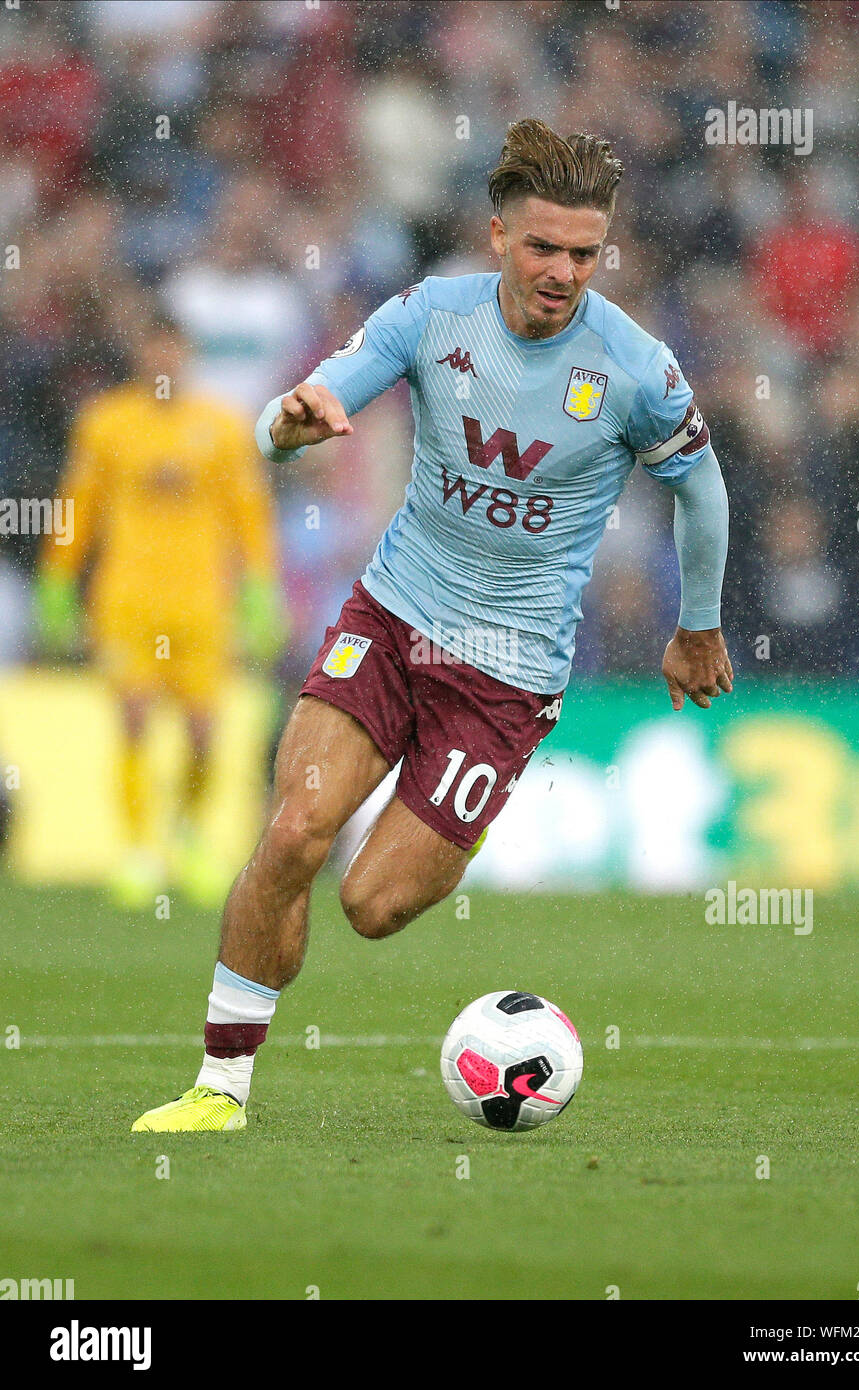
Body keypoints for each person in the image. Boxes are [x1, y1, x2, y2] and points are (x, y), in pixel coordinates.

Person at [132, 118, 732, 1134]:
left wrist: (699, 624)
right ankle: (217, 1089)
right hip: (392, 616)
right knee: (290, 834)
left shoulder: (633, 366)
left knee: (371, 905)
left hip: (505, 676)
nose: (561, 271)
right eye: (542, 246)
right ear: (497, 233)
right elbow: (293, 411)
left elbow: (702, 490)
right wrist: (289, 426)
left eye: (583, 254)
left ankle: (453, 815)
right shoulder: (430, 314)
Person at [36, 315, 284, 908]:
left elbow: (248, 515)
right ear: (140, 352)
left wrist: (259, 592)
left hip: (201, 604)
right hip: (127, 602)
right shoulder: (107, 423)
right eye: (153, 347)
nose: (163, 360)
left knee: (202, 731)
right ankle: (138, 849)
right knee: (133, 717)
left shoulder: (221, 427)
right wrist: (57, 581)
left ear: (186, 354)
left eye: (172, 349)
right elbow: (79, 505)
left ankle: (190, 835)